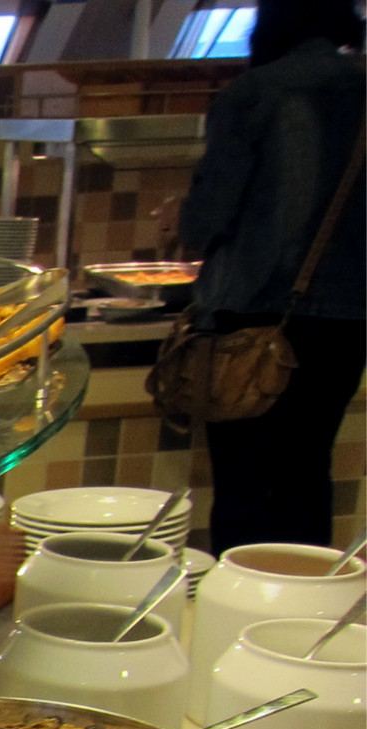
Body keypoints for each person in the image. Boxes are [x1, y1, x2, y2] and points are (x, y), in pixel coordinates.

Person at [179, 0, 364, 555]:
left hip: (253, 317)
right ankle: (305, 595)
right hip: (349, 321)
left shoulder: (257, 92)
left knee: (244, 481)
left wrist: (180, 221)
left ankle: (238, 594)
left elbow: (207, 219)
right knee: (307, 468)